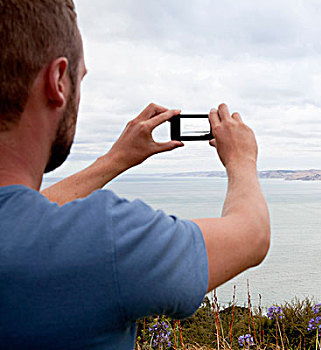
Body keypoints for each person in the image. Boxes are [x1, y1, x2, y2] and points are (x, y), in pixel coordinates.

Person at [0, 0, 270, 349]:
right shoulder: (105, 238)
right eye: (79, 80)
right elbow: (253, 235)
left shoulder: (23, 235)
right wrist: (242, 160)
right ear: (57, 81)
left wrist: (115, 160)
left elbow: (22, 217)